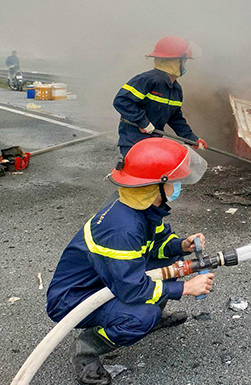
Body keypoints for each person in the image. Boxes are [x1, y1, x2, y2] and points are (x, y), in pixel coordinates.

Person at [46, 138, 215, 385]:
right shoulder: (122, 229)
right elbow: (132, 288)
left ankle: (154, 316)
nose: (178, 185)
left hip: (110, 281)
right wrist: (185, 288)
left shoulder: (143, 206)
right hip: (76, 298)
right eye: (174, 181)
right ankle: (85, 349)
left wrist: (180, 245)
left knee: (173, 258)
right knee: (140, 316)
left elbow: (156, 245)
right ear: (157, 185)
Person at [113, 36, 207, 157]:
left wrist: (192, 139)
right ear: (174, 62)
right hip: (132, 142)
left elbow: (175, 118)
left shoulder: (176, 89)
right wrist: (142, 122)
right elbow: (122, 100)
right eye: (184, 61)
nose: (184, 66)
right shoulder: (147, 80)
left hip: (153, 142)